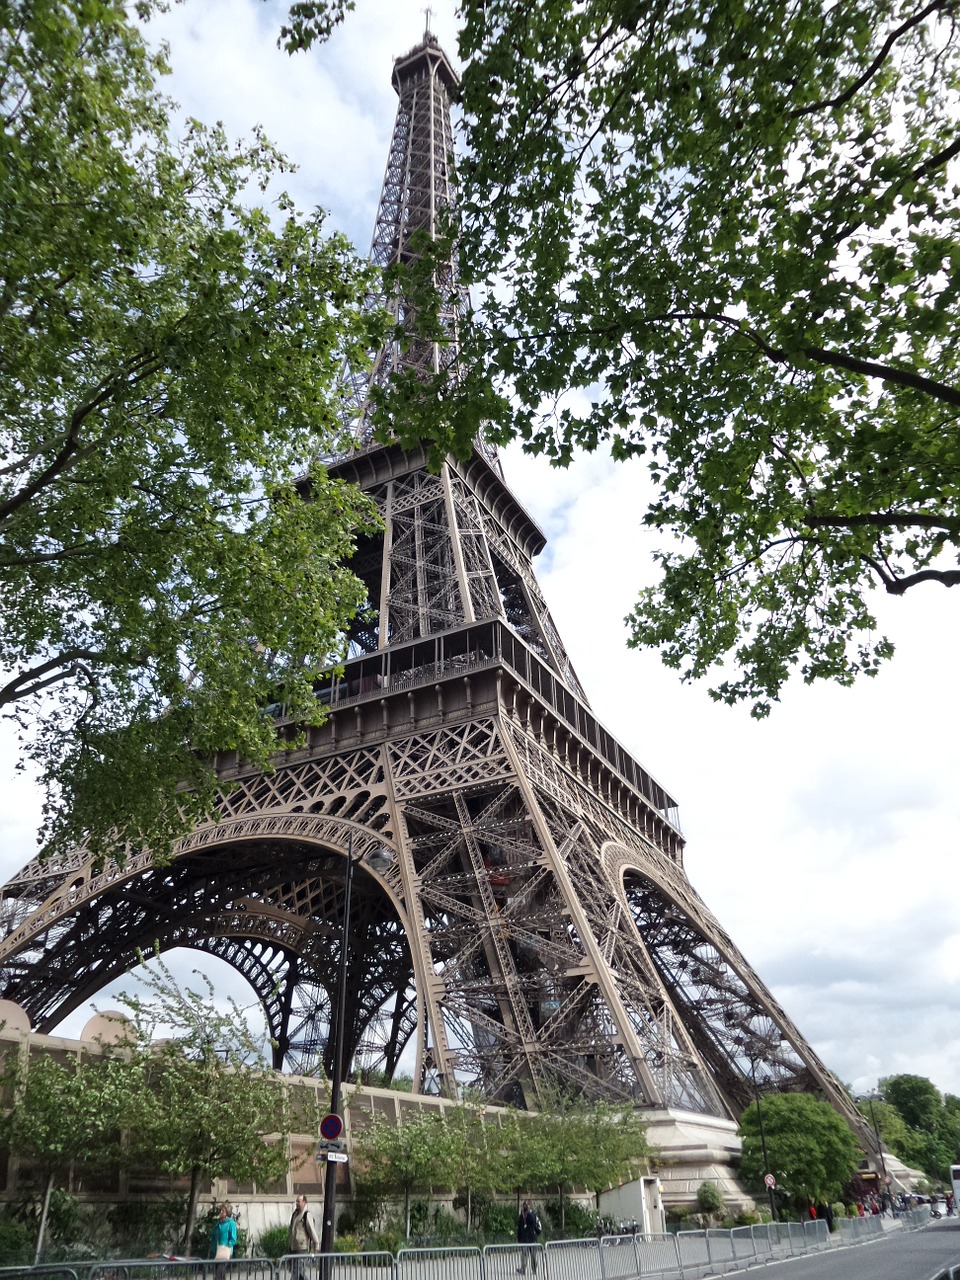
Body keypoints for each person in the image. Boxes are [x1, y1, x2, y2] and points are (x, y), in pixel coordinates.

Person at [289, 1193, 320, 1276]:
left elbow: (311, 1230)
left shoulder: (306, 1215)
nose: (297, 1203)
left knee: (299, 1272)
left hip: (302, 1248)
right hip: (294, 1248)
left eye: (299, 1201)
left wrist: (316, 1244)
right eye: (296, 1201)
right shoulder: (295, 1215)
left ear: (304, 1202)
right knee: (296, 1272)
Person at [516, 1200, 542, 1274]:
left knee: (533, 1256)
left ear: (530, 1206)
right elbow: (519, 1227)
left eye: (527, 1205)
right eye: (524, 1205)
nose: (525, 1207)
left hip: (532, 1238)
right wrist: (519, 1238)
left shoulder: (533, 1214)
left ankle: (534, 1269)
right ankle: (523, 1269)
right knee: (524, 1255)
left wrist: (528, 1213)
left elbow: (533, 1221)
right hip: (524, 1239)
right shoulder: (521, 1216)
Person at [211, 1203, 237, 1270]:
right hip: (217, 1252)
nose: (220, 1212)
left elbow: (233, 1239)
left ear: (227, 1213)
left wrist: (226, 1246)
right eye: (220, 1210)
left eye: (222, 1211)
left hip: (225, 1252)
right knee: (219, 1275)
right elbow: (213, 1236)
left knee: (219, 1273)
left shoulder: (231, 1223)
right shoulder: (218, 1223)